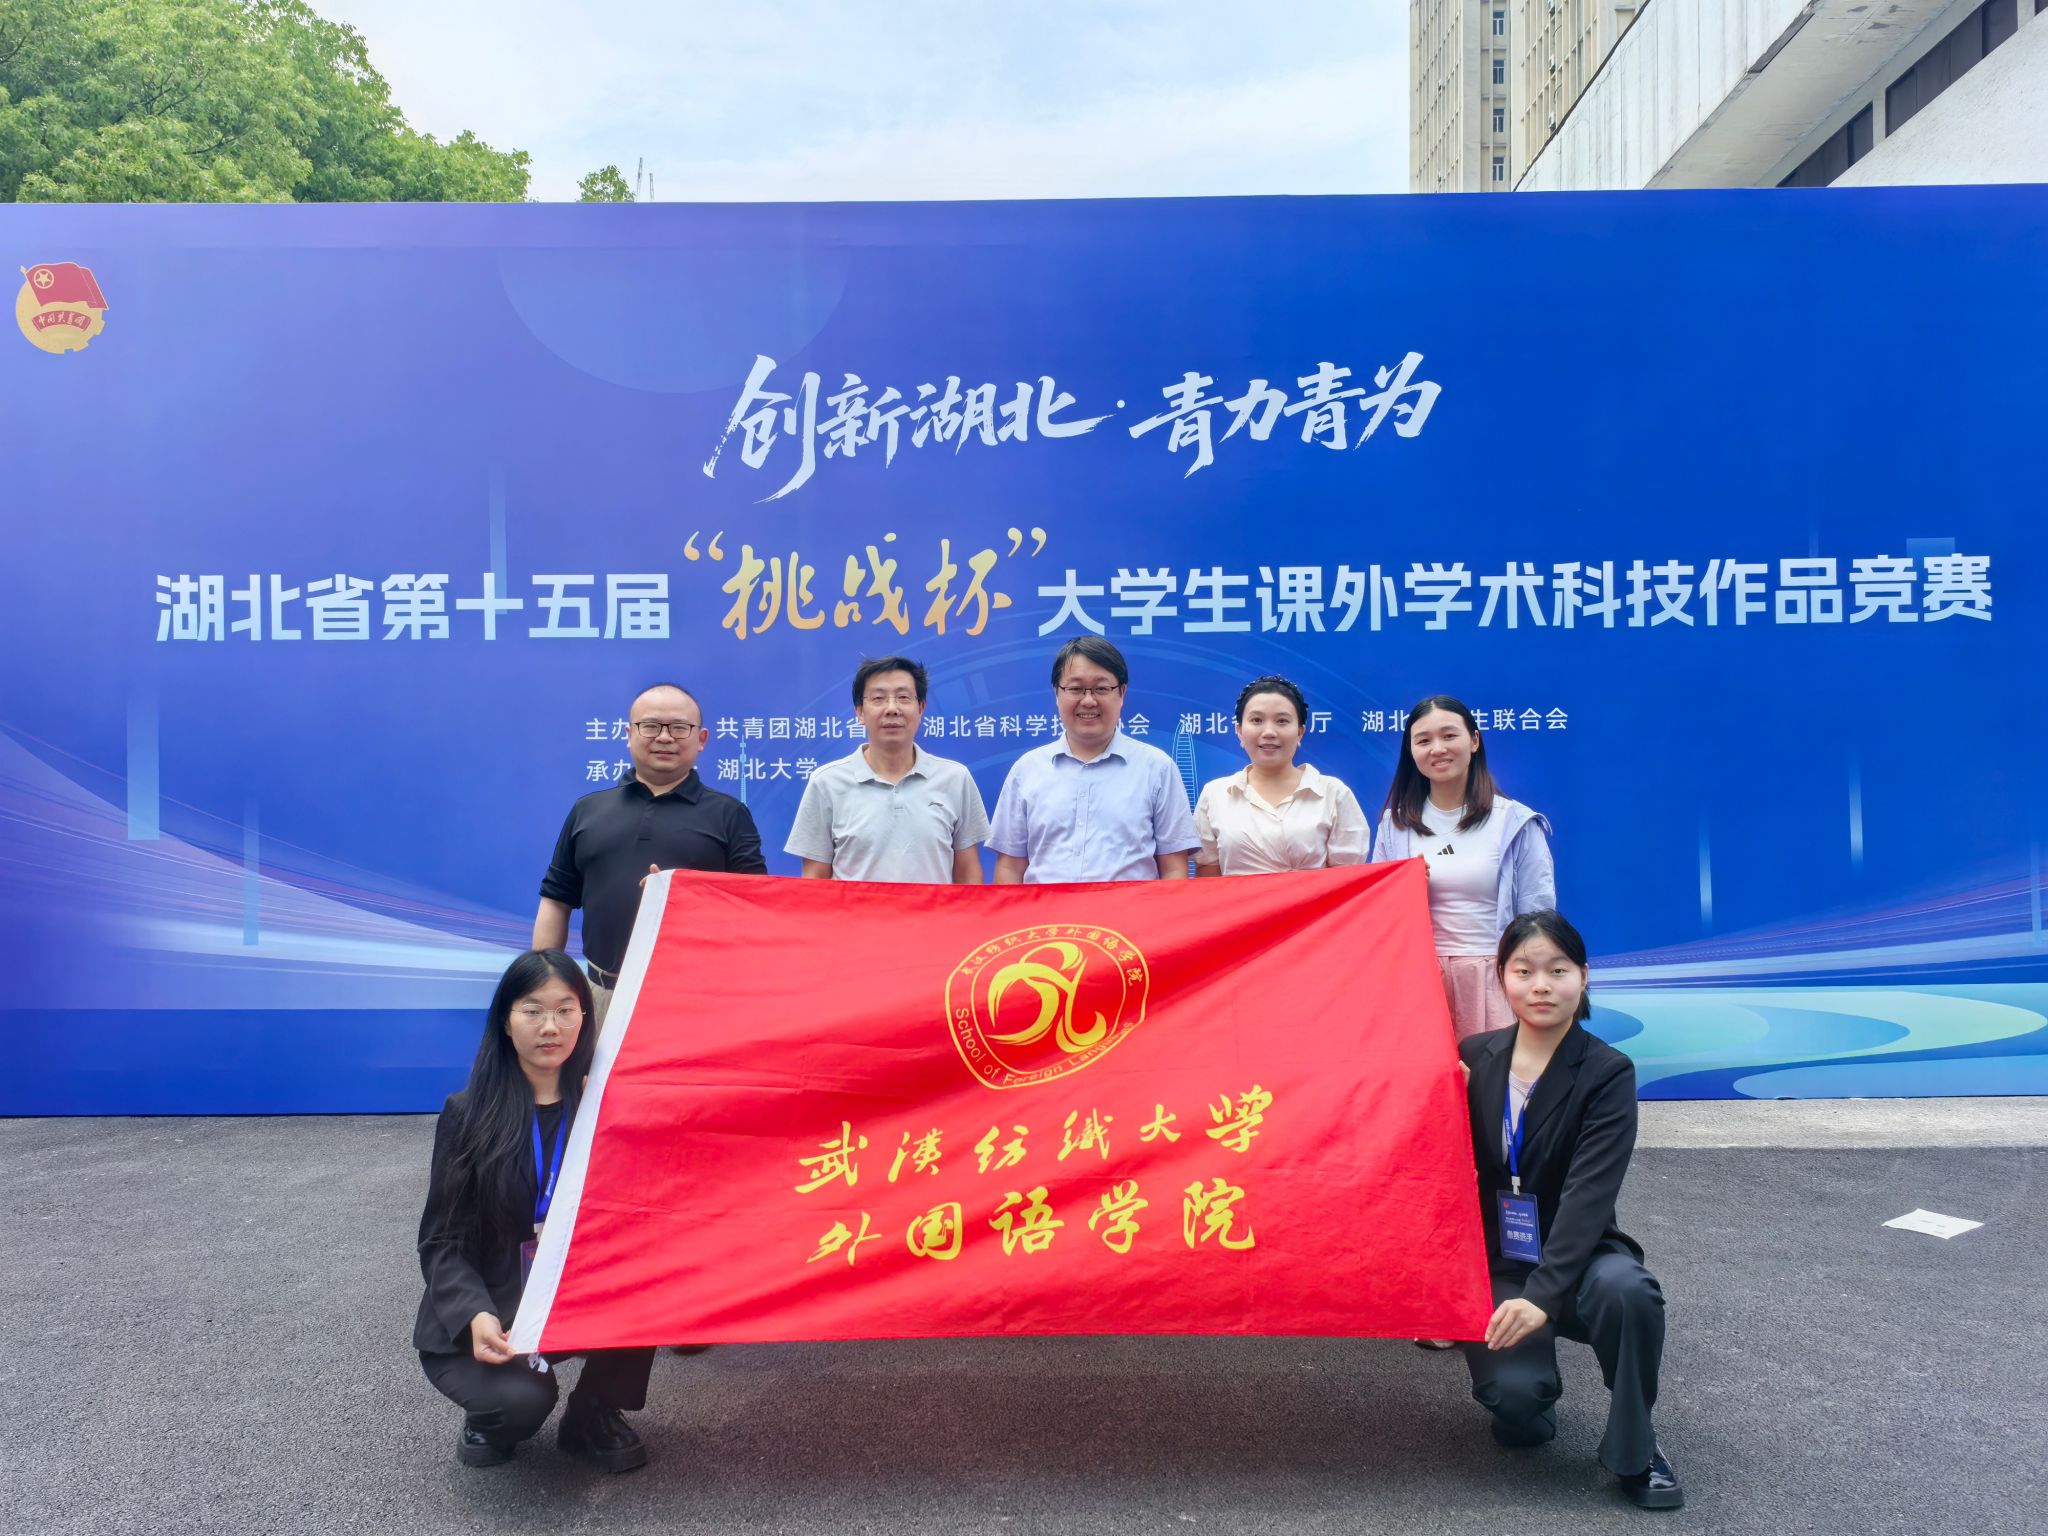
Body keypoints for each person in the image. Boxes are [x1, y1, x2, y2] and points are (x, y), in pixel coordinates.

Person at [1458, 910, 1682, 1511]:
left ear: (1583, 977)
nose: (1541, 986)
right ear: (1501, 977)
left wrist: (1542, 1296)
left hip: (1580, 1258)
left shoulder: (1607, 1071)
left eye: (1558, 971)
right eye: (1524, 971)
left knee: (1629, 1292)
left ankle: (1637, 1448)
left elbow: (1590, 1194)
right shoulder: (1473, 1057)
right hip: (1502, 1262)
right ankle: (1530, 1398)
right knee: (1516, 1412)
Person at [415, 949, 656, 1472]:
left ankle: (593, 1412)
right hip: (496, 1304)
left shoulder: (604, 1107)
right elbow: (442, 1241)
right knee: (522, 1403)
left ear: (584, 1018)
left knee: (652, 1273)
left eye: (566, 1010)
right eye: (533, 1011)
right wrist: (474, 1314)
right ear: (506, 1021)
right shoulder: (469, 1115)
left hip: (577, 1295)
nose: (551, 1027)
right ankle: (489, 1417)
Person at [535, 682, 766, 1031]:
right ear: (629, 734)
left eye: (679, 727)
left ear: (701, 739)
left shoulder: (730, 815)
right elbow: (556, 900)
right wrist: (544, 982)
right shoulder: (588, 810)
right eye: (651, 726)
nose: (665, 737)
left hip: (696, 1000)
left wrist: (685, 893)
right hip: (601, 995)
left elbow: (755, 909)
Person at [1372, 695, 1554, 1040]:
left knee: (1494, 1073)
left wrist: (1529, 979)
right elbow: (1377, 914)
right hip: (1418, 982)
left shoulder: (1515, 822)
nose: (1437, 748)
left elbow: (1538, 916)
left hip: (1496, 980)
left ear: (1474, 741)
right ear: (1411, 751)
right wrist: (1404, 890)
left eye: (1449, 735)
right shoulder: (1393, 826)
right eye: (1423, 740)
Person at [988, 636, 1199, 883]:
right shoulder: (1027, 769)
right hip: (1047, 909)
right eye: (1076, 689)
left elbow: (1173, 869)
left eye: (1101, 688)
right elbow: (1010, 868)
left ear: (1122, 693)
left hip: (1129, 908)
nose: (1088, 701)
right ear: (1057, 693)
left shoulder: (1157, 768)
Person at [786, 656, 990, 883]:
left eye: (903, 698)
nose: (892, 709)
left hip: (934, 908)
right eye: (878, 698)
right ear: (860, 712)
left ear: (921, 708)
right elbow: (815, 879)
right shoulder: (826, 783)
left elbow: (968, 874)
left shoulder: (955, 778)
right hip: (855, 909)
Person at [1192, 674, 1369, 877]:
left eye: (1282, 721)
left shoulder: (1333, 793)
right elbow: (1208, 878)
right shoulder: (1215, 794)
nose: (1269, 732)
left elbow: (1348, 880)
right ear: (1239, 731)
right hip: (1240, 900)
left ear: (1300, 732)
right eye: (1257, 720)